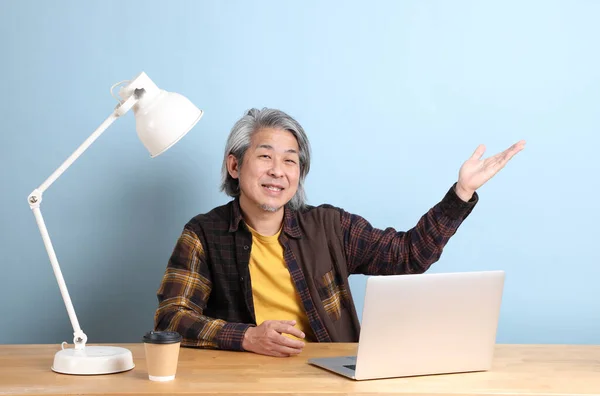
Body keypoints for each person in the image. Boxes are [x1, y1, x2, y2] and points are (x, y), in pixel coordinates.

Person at [154, 108, 525, 357]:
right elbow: (171, 318)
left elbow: (408, 255)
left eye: (290, 160)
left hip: (328, 378)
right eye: (265, 156)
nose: (278, 171)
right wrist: (247, 337)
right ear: (235, 165)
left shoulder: (329, 227)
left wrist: (460, 194)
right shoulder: (203, 233)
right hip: (243, 381)